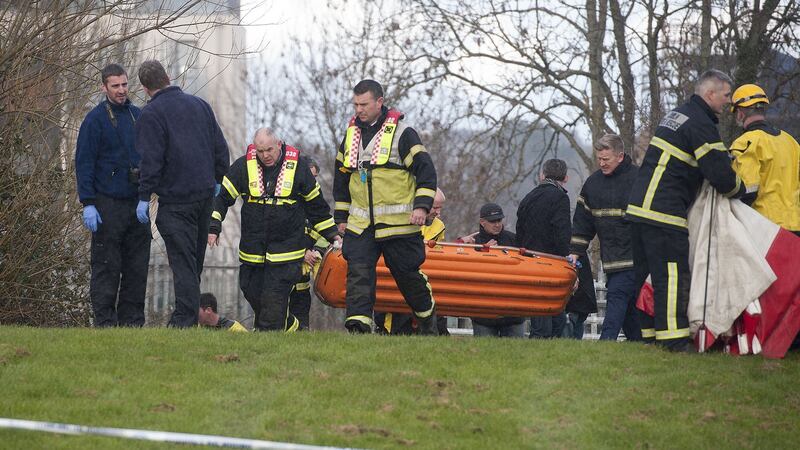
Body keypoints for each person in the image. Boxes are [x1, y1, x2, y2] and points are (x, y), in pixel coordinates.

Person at [626, 69, 745, 351]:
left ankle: (649, 337)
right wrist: (743, 190)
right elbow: (720, 174)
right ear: (710, 93)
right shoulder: (701, 124)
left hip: (639, 210)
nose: (729, 102)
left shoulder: (677, 115)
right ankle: (674, 340)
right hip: (664, 212)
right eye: (726, 95)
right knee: (671, 274)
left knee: (646, 276)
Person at [333, 79, 438, 334]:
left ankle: (427, 317)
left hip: (399, 224)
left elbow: (426, 171)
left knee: (406, 274)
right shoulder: (350, 136)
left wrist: (422, 207)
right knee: (358, 272)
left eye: (364, 104)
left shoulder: (404, 133)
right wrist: (341, 216)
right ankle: (358, 327)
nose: (359, 109)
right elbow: (341, 178)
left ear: (379, 102)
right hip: (361, 224)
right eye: (355, 104)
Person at [210, 128, 340, 331]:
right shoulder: (244, 166)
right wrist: (214, 226)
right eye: (260, 151)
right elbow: (222, 198)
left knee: (272, 302)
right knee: (251, 290)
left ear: (279, 144)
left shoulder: (298, 168)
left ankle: (266, 345)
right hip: (252, 252)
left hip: (286, 253)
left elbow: (317, 209)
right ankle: (292, 327)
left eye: (269, 149)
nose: (265, 155)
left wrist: (333, 236)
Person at [135, 60, 230, 328]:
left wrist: (144, 195)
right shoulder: (199, 105)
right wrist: (218, 179)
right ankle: (186, 317)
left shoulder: (151, 115)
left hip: (176, 202)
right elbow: (220, 150)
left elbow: (150, 161)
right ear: (168, 77)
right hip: (204, 198)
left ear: (144, 88)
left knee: (183, 264)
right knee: (194, 263)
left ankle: (183, 321)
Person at [75, 64, 151, 327]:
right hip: (107, 204)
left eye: (124, 85)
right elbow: (84, 163)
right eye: (115, 86)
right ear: (104, 87)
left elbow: (149, 158)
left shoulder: (137, 116)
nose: (121, 90)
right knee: (107, 267)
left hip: (136, 203)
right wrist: (88, 203)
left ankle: (132, 324)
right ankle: (105, 323)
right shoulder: (94, 120)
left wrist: (146, 195)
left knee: (136, 267)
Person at [570, 134, 642, 342]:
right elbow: (583, 222)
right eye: (599, 159)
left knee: (616, 297)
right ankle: (641, 344)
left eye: (606, 159)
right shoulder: (593, 184)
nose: (601, 163)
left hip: (634, 259)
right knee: (629, 311)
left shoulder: (638, 179)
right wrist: (575, 252)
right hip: (611, 261)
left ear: (620, 156)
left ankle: (606, 341)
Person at [729, 84, 800, 237]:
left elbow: (746, 191)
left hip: (764, 229)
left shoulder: (745, 143)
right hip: (795, 226)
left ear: (740, 113)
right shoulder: (790, 142)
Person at [376, 188, 448, 335]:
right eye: (435, 207)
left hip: (424, 282)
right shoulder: (399, 221)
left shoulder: (439, 226)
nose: (438, 213)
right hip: (397, 280)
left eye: (440, 208)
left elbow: (438, 256)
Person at [516, 159, 572, 338]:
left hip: (530, 260)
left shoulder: (529, 197)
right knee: (552, 312)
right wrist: (566, 256)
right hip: (551, 261)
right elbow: (562, 231)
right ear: (565, 178)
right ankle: (544, 345)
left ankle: (541, 342)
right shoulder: (560, 197)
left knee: (539, 312)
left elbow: (520, 230)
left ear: (542, 175)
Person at [460, 203, 525, 338]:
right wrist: (483, 253)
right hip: (483, 313)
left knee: (517, 355)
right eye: (492, 221)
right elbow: (465, 271)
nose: (497, 224)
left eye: (499, 220)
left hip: (512, 312)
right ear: (482, 222)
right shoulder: (472, 242)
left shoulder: (514, 240)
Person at [288, 158, 329, 330]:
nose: (313, 181)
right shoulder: (287, 201)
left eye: (315, 177)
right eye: (309, 176)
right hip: (283, 280)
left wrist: (317, 251)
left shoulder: (316, 204)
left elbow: (326, 231)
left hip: (303, 284)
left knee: (302, 329)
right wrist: (302, 252)